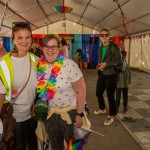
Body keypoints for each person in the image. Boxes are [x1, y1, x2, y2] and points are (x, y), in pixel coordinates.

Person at [36, 34, 86, 150]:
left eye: (53, 47)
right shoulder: (39, 65)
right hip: (50, 115)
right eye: (46, 47)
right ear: (42, 48)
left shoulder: (70, 65)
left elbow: (81, 91)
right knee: (56, 146)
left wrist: (79, 115)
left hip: (71, 114)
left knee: (75, 147)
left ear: (59, 48)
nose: (50, 50)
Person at [0, 22, 37, 150]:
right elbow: (0, 93)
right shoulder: (3, 63)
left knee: (33, 145)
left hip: (32, 114)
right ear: (13, 40)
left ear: (31, 39)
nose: (24, 41)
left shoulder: (35, 60)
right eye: (19, 37)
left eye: (27, 37)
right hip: (14, 116)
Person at [94, 28, 122, 126]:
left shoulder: (114, 46)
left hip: (111, 75)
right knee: (98, 93)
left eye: (106, 35)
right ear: (100, 37)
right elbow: (101, 59)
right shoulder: (101, 47)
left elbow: (119, 61)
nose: (104, 37)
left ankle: (112, 115)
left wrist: (106, 64)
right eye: (102, 35)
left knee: (110, 96)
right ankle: (102, 109)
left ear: (109, 36)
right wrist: (99, 65)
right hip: (102, 74)